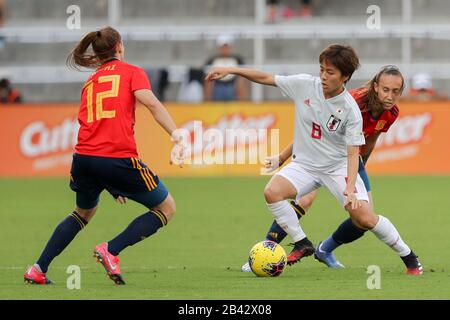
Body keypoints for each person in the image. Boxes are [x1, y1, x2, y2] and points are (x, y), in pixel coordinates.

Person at [206, 44, 422, 275]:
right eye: (322, 70)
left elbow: (356, 150)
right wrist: (233, 69)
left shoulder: (352, 109)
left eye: (329, 72)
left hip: (339, 164)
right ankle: (285, 247)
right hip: (307, 163)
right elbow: (268, 79)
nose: (323, 76)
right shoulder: (310, 87)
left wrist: (351, 185)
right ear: (376, 86)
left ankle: (408, 258)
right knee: (276, 193)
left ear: (345, 77)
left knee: (365, 219)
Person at [23, 26, 185, 285]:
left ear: (98, 54)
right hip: (115, 157)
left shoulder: (91, 81)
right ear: (119, 45)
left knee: (82, 213)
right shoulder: (132, 72)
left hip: (84, 158)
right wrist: (176, 134)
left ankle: (38, 269)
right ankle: (111, 249)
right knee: (166, 208)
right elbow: (151, 103)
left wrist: (109, 183)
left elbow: (92, 123)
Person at [204, 34, 248, 102]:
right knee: (210, 82)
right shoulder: (212, 60)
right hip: (217, 85)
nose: (225, 49)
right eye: (223, 47)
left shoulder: (238, 59)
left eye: (227, 47)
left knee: (241, 81)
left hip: (233, 85)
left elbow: (243, 75)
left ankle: (241, 104)